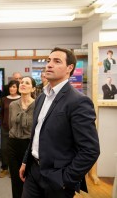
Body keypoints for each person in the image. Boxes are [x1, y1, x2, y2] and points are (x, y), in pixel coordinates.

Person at [19, 47, 100, 198]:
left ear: (70, 68)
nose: (49, 65)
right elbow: (37, 133)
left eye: (57, 61)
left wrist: (66, 179)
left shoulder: (78, 101)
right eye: (49, 60)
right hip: (33, 171)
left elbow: (90, 150)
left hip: (57, 178)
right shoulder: (41, 97)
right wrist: (26, 161)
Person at [8, 76, 36, 198]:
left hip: (29, 145)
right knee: (15, 179)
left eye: (27, 83)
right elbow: (10, 124)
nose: (23, 84)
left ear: (33, 88)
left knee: (29, 179)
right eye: (22, 82)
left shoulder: (37, 105)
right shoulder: (13, 105)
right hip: (13, 144)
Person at [0, 80, 20, 178]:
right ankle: (4, 168)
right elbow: (1, 113)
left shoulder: (21, 99)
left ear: (18, 88)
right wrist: (2, 124)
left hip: (17, 129)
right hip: (5, 128)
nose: (12, 88)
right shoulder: (4, 99)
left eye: (14, 87)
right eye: (11, 87)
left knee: (15, 149)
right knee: (4, 149)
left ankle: (14, 169)